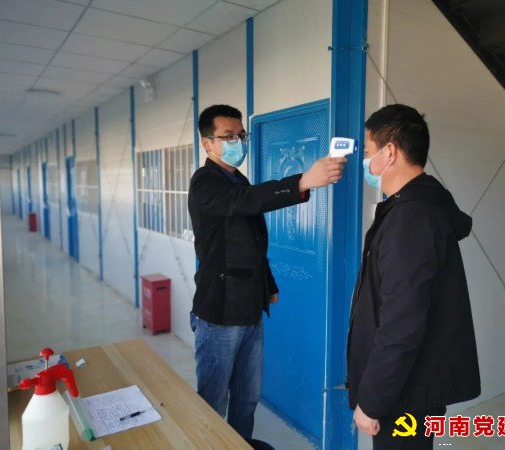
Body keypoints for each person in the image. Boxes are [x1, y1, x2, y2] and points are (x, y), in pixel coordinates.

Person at [188, 104, 346, 443]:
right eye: (228, 137)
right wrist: (302, 181)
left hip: (249, 306)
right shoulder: (205, 182)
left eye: (240, 135)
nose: (237, 142)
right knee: (213, 400)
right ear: (207, 143)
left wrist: (268, 283)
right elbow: (244, 201)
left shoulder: (237, 179)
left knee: (247, 397)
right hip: (219, 313)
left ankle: (241, 443)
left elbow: (251, 242)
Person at [347, 104, 481, 449]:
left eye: (368, 151)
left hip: (405, 395)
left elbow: (401, 323)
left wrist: (371, 400)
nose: (366, 161)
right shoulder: (418, 206)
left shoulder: (411, 218)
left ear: (390, 152)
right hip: (410, 384)